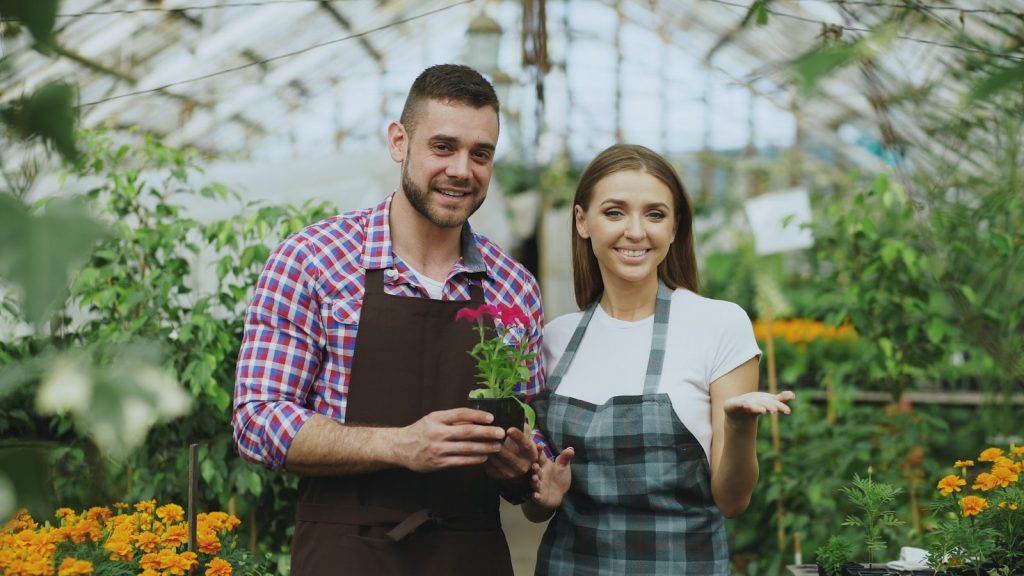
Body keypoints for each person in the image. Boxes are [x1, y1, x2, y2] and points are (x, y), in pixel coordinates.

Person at [232, 64, 543, 576]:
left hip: (471, 556)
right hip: (347, 553)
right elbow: (257, 419)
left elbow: (527, 430)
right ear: (399, 142)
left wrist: (527, 469)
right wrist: (400, 445)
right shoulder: (313, 259)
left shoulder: (513, 287)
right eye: (443, 147)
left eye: (480, 153)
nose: (462, 170)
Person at [524, 144, 795, 575]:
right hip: (570, 565)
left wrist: (740, 427)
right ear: (582, 221)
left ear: (674, 228)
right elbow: (537, 509)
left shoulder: (718, 324)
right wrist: (541, 495)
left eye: (654, 214)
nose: (636, 231)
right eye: (614, 212)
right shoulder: (555, 338)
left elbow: (732, 501)